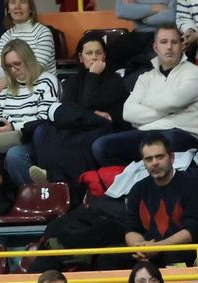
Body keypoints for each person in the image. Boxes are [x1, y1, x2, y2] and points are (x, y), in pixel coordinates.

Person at [93, 26, 198, 166]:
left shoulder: (195, 73)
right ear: (155, 47)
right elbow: (128, 112)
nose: (169, 47)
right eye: (164, 42)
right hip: (146, 133)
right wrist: (169, 109)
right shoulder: (145, 78)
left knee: (163, 145)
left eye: (174, 42)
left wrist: (146, 102)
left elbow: (172, 101)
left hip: (183, 133)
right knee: (101, 146)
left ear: (182, 45)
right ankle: (137, 177)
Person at [27, 32, 126, 186]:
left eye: (98, 53)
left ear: (104, 56)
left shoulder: (115, 81)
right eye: (89, 53)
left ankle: (61, 181)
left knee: (80, 140)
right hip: (79, 125)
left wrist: (93, 75)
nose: (94, 57)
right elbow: (68, 110)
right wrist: (87, 114)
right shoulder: (73, 81)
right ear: (81, 58)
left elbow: (88, 102)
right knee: (51, 131)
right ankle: (51, 175)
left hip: (104, 127)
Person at [124, 133, 198, 260]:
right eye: (149, 159)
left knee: (172, 256)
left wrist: (159, 247)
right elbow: (131, 228)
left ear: (172, 158)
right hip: (148, 252)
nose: (154, 163)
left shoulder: (192, 185)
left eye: (159, 157)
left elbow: (194, 229)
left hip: (183, 250)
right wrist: (140, 248)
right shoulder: (138, 189)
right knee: (107, 260)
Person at [0, 40, 58, 189]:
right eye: (8, 66)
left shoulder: (47, 81)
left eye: (17, 64)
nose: (13, 70)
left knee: (15, 155)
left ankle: (35, 195)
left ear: (28, 60)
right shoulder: (7, 87)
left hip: (32, 139)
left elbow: (46, 117)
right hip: (5, 136)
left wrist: (14, 127)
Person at [0, 0, 53, 88]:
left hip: (42, 88)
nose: (17, 6)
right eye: (13, 2)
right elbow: (2, 68)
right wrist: (2, 77)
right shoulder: (6, 36)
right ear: (8, 10)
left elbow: (34, 68)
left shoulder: (43, 32)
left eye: (23, 2)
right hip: (14, 88)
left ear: (30, 9)